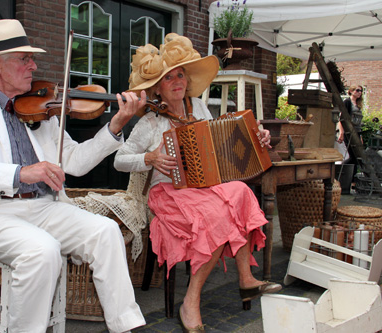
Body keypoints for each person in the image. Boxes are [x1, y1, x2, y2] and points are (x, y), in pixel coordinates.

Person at [0, 19, 147, 333]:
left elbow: (74, 162)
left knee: (106, 232)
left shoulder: (41, 105)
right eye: (24, 58)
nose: (33, 65)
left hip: (44, 207)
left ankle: (125, 325)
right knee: (42, 250)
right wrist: (20, 173)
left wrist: (115, 125)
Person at [114, 33, 281, 332]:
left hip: (204, 187)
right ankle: (190, 302)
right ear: (157, 89)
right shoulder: (150, 122)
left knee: (242, 191)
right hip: (167, 193)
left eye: (181, 75)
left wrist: (256, 137)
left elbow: (226, 141)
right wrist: (150, 158)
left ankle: (245, 278)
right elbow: (119, 160)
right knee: (217, 214)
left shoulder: (200, 110)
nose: (178, 81)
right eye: (169, 79)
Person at [337, 85, 364, 179]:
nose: (359, 92)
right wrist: (341, 132)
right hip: (349, 132)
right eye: (357, 90)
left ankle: (352, 180)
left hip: (356, 132)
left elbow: (359, 123)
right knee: (352, 155)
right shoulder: (347, 102)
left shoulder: (358, 105)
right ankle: (338, 172)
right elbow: (342, 119)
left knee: (357, 156)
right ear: (351, 91)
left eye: (361, 91)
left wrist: (360, 137)